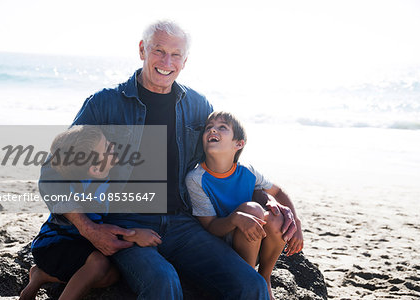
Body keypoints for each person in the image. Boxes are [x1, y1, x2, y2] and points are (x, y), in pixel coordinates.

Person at [39, 20, 298, 299]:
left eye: (175, 55)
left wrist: (265, 196)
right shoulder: (104, 104)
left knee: (252, 286)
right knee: (163, 282)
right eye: (159, 51)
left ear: (185, 61)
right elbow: (53, 172)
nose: (167, 61)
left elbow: (222, 163)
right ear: (142, 50)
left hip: (182, 224)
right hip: (126, 223)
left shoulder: (198, 106)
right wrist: (90, 229)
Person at [21, 125, 162, 300]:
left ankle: (41, 276)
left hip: (78, 244)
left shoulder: (104, 181)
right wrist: (133, 234)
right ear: (95, 169)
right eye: (107, 147)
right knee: (98, 263)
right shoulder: (81, 190)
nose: (113, 145)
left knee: (111, 276)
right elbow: (100, 231)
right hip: (53, 245)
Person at [185, 111, 304, 299]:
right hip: (223, 242)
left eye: (222, 127)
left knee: (276, 215)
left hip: (253, 241)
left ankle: (264, 278)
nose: (213, 129)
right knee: (252, 209)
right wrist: (235, 219)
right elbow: (210, 226)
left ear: (238, 144)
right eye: (209, 128)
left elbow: (278, 193)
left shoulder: (247, 171)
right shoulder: (196, 178)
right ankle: (248, 280)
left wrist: (296, 223)